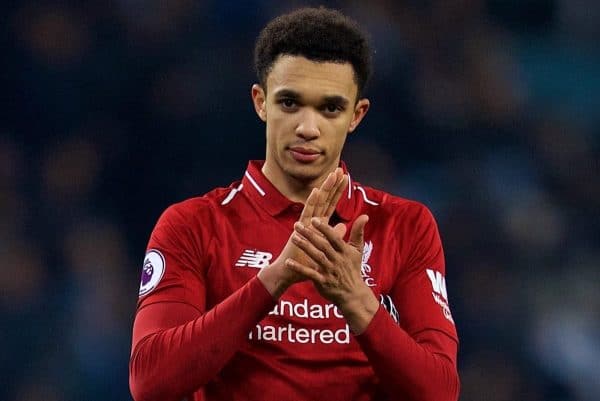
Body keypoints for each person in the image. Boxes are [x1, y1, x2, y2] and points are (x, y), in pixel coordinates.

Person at [129, 7, 459, 401]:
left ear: (357, 115)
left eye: (330, 108)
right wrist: (274, 278)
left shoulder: (404, 225)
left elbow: (439, 392)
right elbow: (149, 381)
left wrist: (355, 299)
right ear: (260, 102)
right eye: (289, 103)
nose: (307, 127)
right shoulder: (194, 224)